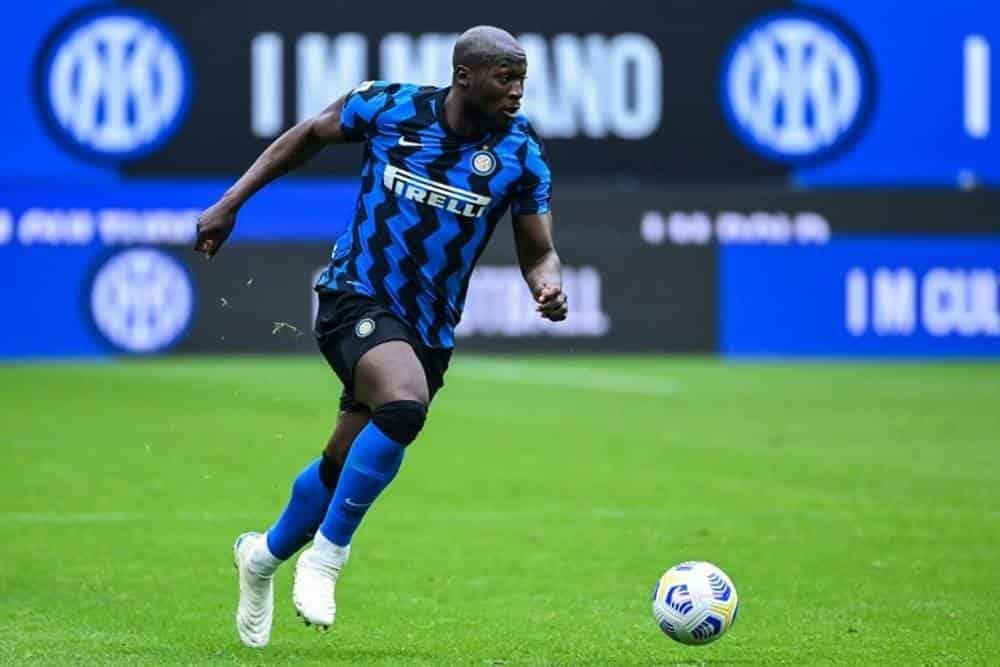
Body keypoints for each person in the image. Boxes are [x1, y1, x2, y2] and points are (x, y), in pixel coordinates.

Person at [194, 25, 567, 648]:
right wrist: (231, 203)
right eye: (506, 77)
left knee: (342, 463)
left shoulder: (520, 153)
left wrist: (547, 284)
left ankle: (260, 557)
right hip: (354, 295)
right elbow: (309, 134)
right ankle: (327, 557)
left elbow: (539, 250)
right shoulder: (389, 106)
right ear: (465, 76)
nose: (517, 91)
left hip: (429, 329)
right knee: (403, 404)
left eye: (522, 79)